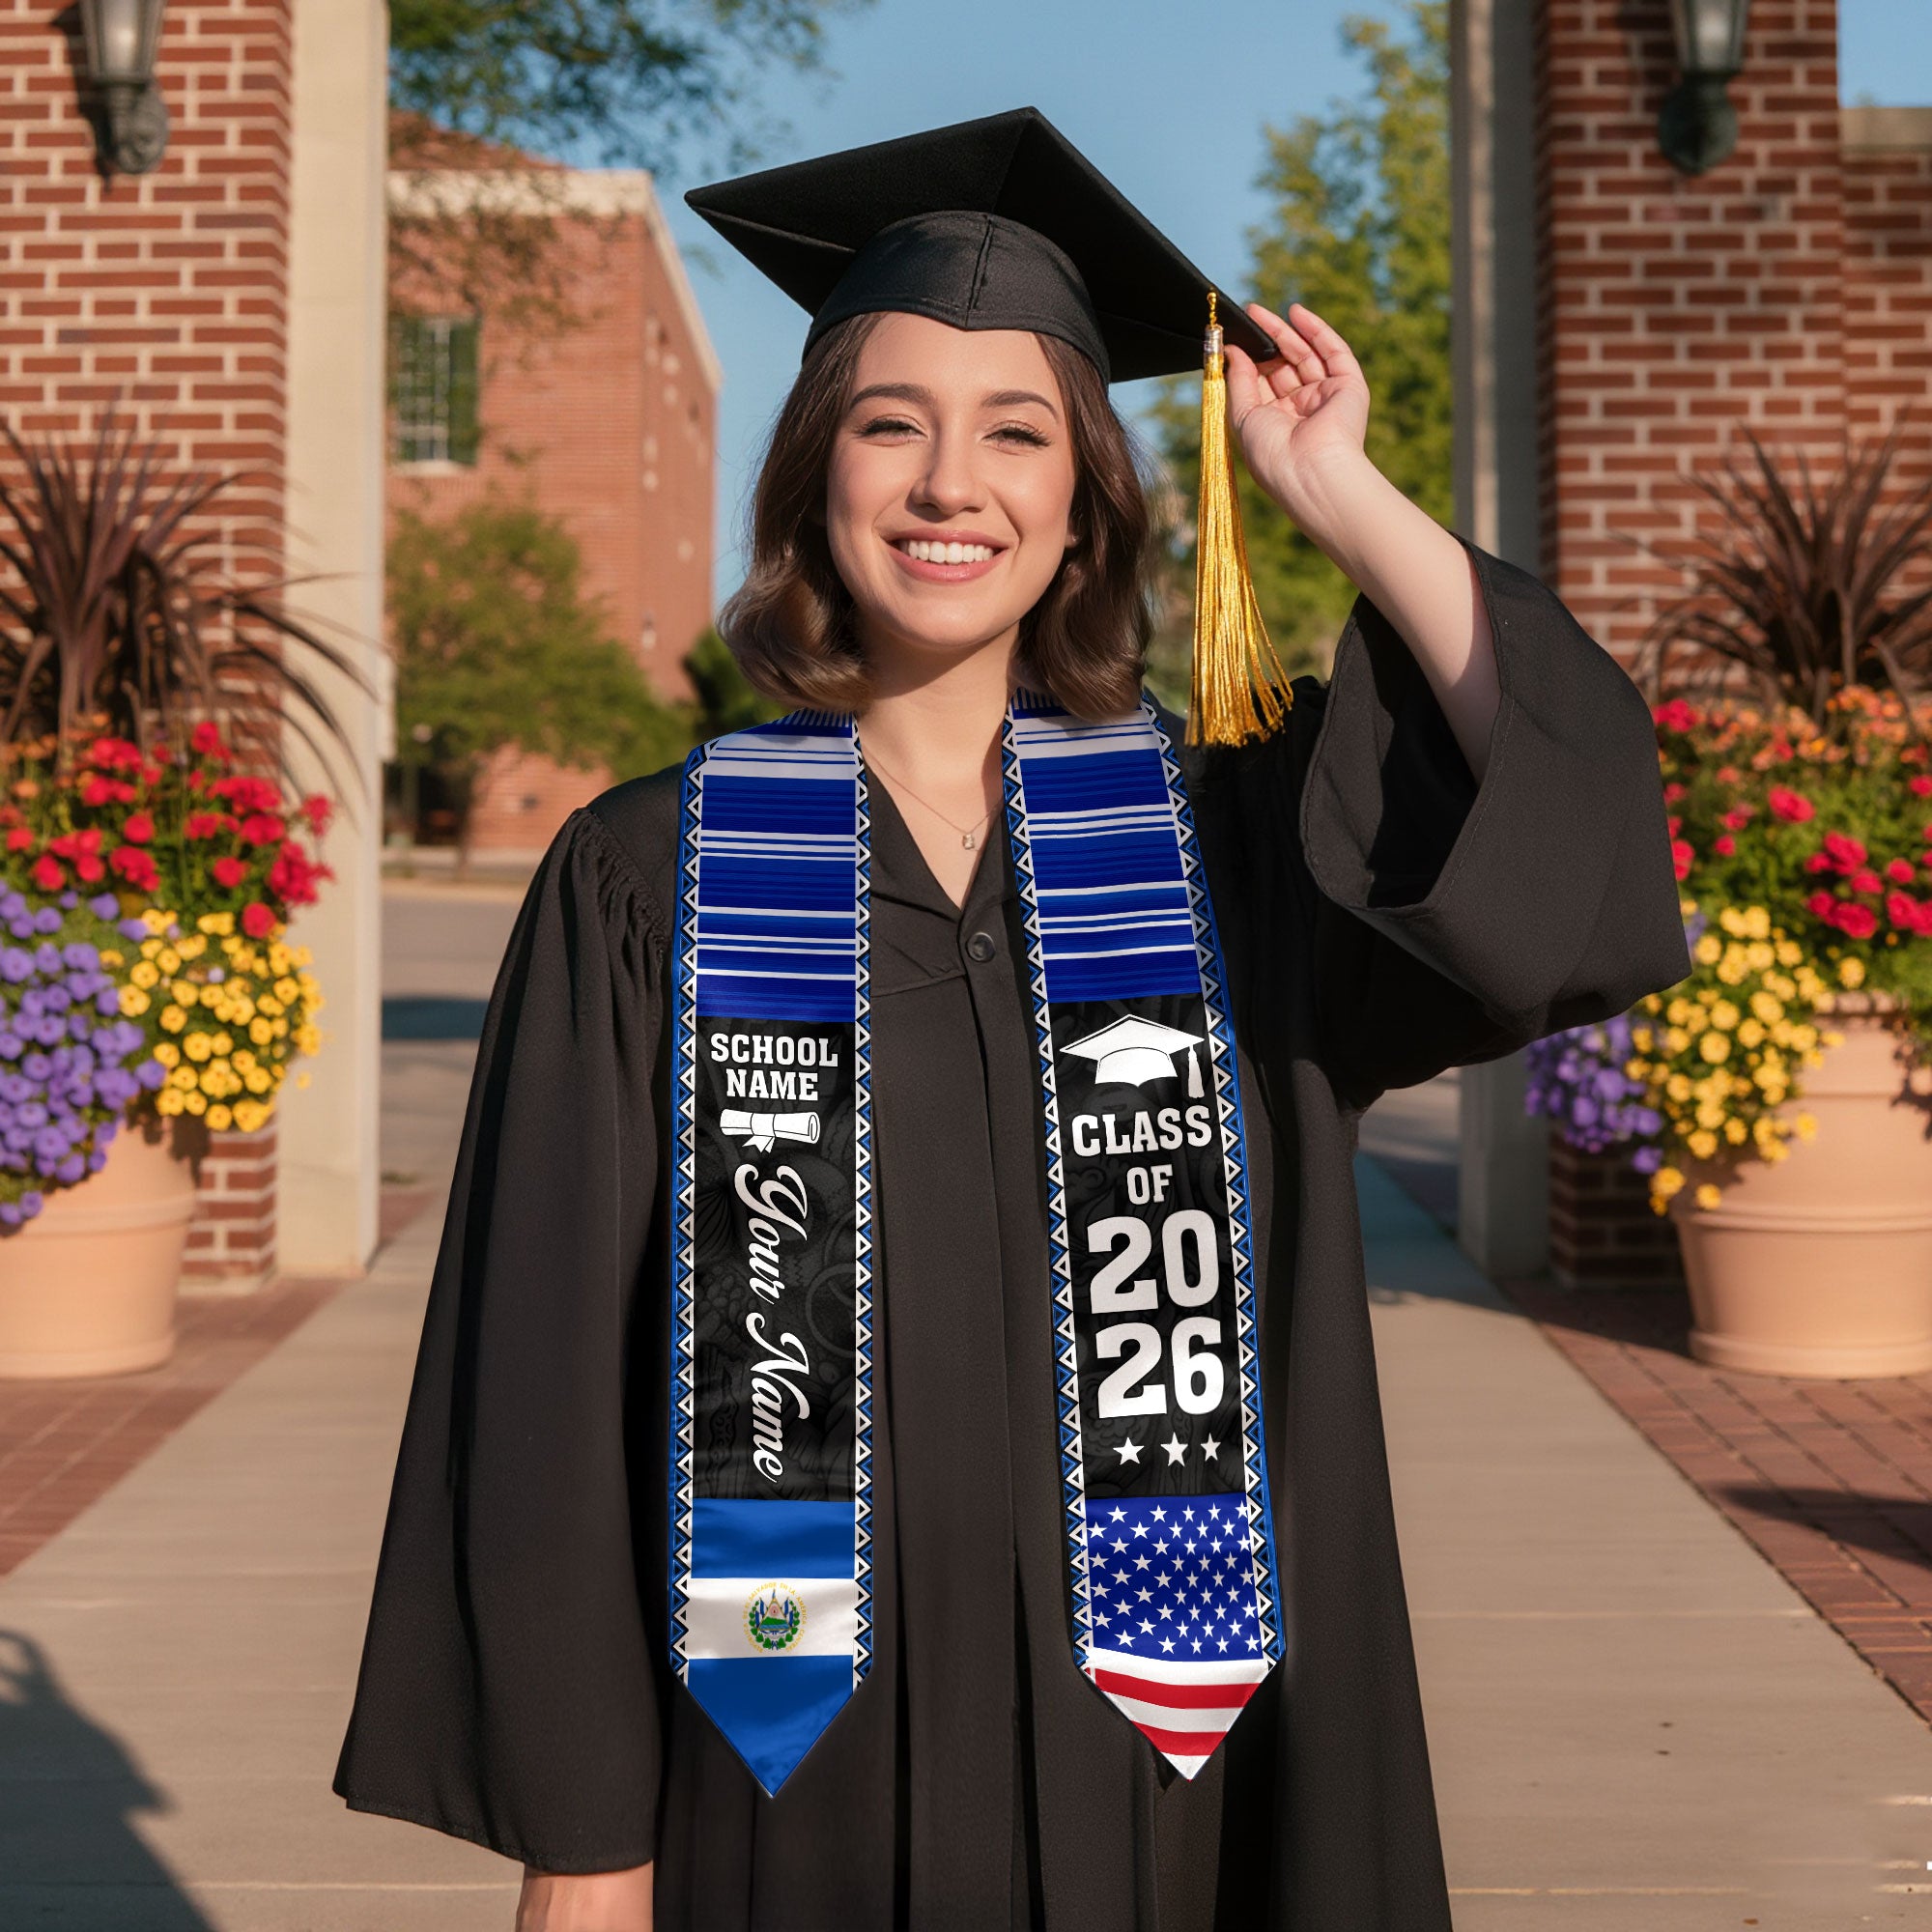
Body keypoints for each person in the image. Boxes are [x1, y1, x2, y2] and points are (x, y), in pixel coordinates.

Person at [333, 109, 1690, 1931]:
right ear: (818, 472)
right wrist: (585, 1842)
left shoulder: (1232, 855)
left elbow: (1559, 827)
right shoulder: (653, 877)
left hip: (1184, 1787)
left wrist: (1335, 491)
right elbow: (548, 1381)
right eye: (892, 424)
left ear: (1083, 504)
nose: (947, 483)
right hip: (778, 1774)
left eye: (1016, 432)